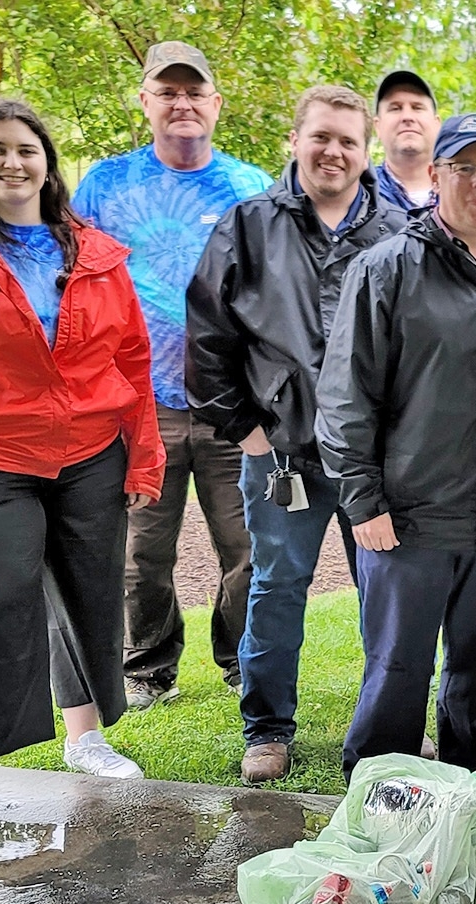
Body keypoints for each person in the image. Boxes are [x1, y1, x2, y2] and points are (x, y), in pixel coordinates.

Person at [0, 97, 164, 774]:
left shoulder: (94, 252)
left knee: (89, 598)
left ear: (47, 163)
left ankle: (86, 739)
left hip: (91, 456)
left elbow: (130, 358)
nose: (13, 163)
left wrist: (144, 458)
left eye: (26, 150)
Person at [318, 112, 476, 776]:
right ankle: (380, 788)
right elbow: (346, 393)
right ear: (434, 177)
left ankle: (467, 789)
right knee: (398, 668)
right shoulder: (387, 269)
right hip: (409, 520)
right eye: (464, 168)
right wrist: (362, 500)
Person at [187, 85, 406, 784]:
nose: (333, 151)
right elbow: (206, 337)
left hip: (373, 462)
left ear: (366, 148)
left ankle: (389, 726)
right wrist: (248, 432)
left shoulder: (399, 231)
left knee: (387, 590)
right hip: (281, 454)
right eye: (321, 137)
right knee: (276, 587)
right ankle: (267, 728)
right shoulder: (249, 226)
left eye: (347, 139)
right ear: (295, 140)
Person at [71, 41, 270, 710]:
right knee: (144, 555)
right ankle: (150, 667)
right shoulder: (105, 184)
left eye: (195, 91)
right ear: (146, 100)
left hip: (229, 403)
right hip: (138, 404)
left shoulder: (250, 188)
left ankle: (242, 662)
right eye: (168, 91)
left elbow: (275, 293)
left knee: (245, 547)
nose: (182, 102)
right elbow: (72, 279)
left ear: (215, 103)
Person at [371, 69, 439, 211]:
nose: (407, 117)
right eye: (395, 108)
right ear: (377, 126)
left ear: (437, 124)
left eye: (417, 108)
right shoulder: (359, 193)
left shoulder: (463, 190)